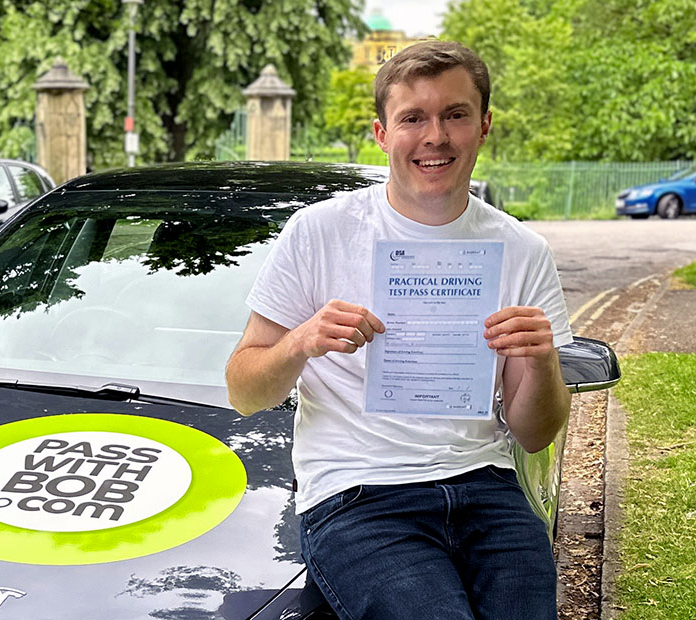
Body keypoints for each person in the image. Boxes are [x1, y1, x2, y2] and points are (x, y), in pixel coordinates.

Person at [225, 40, 572, 620]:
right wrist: (300, 342)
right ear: (382, 134)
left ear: (483, 126)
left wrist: (542, 360)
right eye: (413, 118)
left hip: (485, 485)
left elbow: (534, 435)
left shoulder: (522, 249)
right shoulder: (318, 232)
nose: (435, 136)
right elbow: (243, 390)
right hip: (359, 493)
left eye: (455, 114)